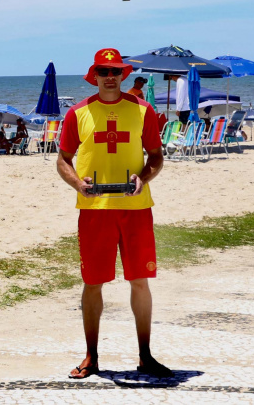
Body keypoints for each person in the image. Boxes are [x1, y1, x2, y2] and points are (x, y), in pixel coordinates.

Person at [56, 47, 171, 380]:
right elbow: (63, 159)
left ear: (123, 75)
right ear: (95, 76)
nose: (110, 77)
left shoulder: (143, 110)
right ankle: (91, 356)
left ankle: (146, 356)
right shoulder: (78, 113)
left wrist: (143, 177)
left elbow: (156, 156)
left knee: (140, 281)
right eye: (104, 72)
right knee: (93, 283)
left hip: (136, 209)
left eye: (116, 72)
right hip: (95, 210)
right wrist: (78, 183)